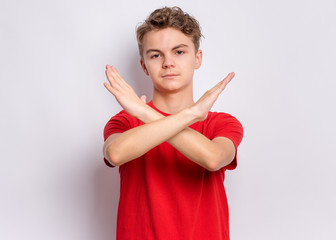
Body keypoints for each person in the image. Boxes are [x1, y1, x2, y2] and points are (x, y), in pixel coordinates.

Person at [103, 6, 243, 240]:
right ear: (144, 65)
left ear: (197, 58)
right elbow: (115, 154)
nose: (168, 62)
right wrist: (190, 115)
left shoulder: (221, 123)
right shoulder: (126, 121)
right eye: (156, 55)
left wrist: (144, 113)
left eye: (179, 52)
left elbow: (214, 158)